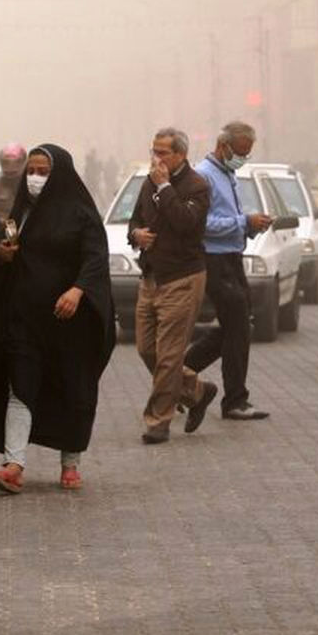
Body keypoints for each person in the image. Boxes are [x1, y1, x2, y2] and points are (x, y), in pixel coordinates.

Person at [0, 144, 114, 494]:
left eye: (43, 171)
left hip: (68, 322)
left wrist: (77, 291)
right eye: (31, 170)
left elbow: (95, 259)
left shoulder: (81, 214)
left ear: (58, 173)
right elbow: (5, 252)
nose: (34, 177)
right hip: (25, 319)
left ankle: (70, 463)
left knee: (72, 387)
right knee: (21, 386)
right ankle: (14, 465)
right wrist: (1, 255)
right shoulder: (23, 212)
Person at [128, 128, 216, 444]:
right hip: (151, 277)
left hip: (182, 278)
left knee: (168, 355)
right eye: (154, 151)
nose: (157, 158)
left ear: (180, 154)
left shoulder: (197, 186)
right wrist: (136, 235)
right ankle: (197, 391)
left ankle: (157, 421)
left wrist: (165, 187)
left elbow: (186, 223)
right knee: (146, 349)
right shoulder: (147, 181)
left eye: (163, 152)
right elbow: (134, 220)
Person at [183, 121, 273, 420]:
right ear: (223, 147)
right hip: (214, 260)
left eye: (247, 153)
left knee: (236, 327)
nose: (243, 158)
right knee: (237, 327)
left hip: (232, 257)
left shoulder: (228, 175)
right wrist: (244, 222)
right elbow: (201, 225)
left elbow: (229, 219)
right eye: (240, 152)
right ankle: (234, 399)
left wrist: (250, 227)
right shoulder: (204, 176)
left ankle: (178, 376)